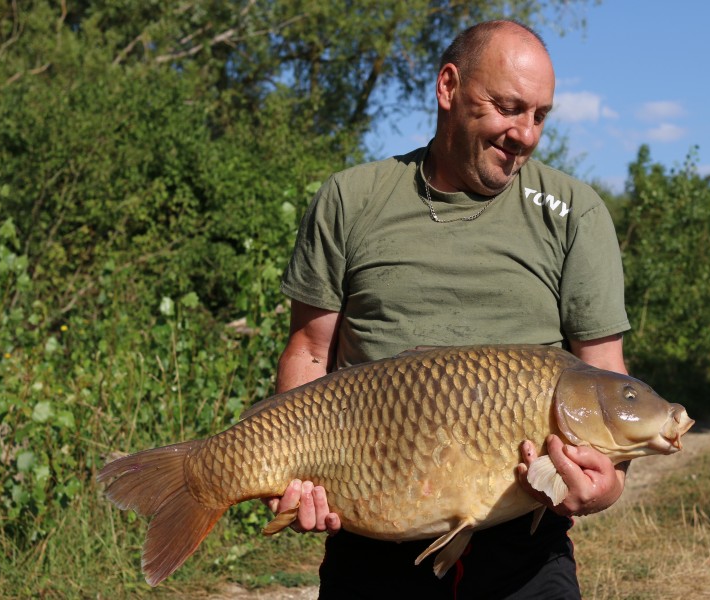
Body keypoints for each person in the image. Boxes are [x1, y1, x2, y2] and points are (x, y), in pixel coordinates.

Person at [267, 19, 631, 599]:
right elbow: (310, 352)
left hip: (524, 550)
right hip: (373, 530)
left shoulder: (572, 213)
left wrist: (607, 486)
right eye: (509, 107)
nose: (526, 134)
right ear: (448, 87)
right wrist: (293, 473)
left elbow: (606, 374)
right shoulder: (352, 198)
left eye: (540, 115)